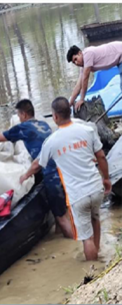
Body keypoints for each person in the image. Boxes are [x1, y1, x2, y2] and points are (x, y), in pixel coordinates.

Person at [0, 99, 73, 238]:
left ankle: (75, 245)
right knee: (62, 213)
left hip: (51, 177)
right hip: (63, 172)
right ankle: (61, 240)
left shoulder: (23, 128)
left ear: (24, 115)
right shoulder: (44, 124)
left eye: (19, 115)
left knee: (62, 220)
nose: (18, 118)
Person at [20, 97, 111, 261]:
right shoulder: (87, 130)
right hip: (96, 188)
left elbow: (37, 164)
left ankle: (93, 267)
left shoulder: (52, 141)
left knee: (86, 237)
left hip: (78, 195)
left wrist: (25, 176)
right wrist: (106, 179)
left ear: (55, 117)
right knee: (95, 219)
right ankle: (98, 255)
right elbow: (101, 157)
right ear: (69, 112)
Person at [67, 42, 122, 111]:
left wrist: (81, 99)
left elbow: (85, 79)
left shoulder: (88, 54)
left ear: (80, 53)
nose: (76, 63)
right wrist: (70, 102)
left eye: (76, 59)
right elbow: (79, 85)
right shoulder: (83, 66)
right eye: (74, 62)